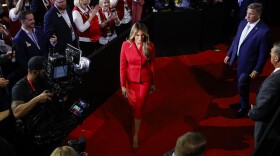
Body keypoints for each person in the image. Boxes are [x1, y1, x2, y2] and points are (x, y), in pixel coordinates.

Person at [223, 3, 271, 118]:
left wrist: (257, 69)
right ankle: (242, 102)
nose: (247, 16)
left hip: (250, 65)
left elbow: (263, 53)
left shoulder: (264, 31)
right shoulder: (243, 23)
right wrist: (229, 54)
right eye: (247, 13)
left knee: (242, 84)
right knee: (241, 85)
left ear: (258, 15)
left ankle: (244, 107)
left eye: (251, 14)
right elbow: (236, 40)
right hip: (239, 61)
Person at [10, 56, 59, 156]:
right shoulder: (19, 87)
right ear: (35, 72)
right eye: (44, 71)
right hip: (31, 134)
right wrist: (37, 99)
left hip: (49, 127)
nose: (46, 73)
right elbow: (17, 113)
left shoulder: (45, 81)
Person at [120, 22, 156, 151]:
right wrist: (123, 85)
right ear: (133, 35)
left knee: (139, 107)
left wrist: (153, 83)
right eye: (137, 35)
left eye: (142, 35)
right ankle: (137, 117)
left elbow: (152, 66)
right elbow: (122, 66)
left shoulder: (150, 46)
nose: (140, 38)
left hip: (144, 82)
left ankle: (135, 135)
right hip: (130, 81)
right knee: (133, 105)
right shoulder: (125, 45)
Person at [12, 10, 57, 87]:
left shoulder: (39, 29)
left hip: (48, 69)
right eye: (30, 20)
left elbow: (47, 44)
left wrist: (53, 42)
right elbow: (22, 62)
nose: (33, 21)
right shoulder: (18, 39)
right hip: (35, 76)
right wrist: (35, 75)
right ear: (22, 21)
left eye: (33, 19)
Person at [248, 41, 280, 146]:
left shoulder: (273, 82)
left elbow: (263, 107)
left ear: (276, 58)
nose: (270, 54)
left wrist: (252, 112)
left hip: (268, 128)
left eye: (271, 52)